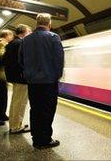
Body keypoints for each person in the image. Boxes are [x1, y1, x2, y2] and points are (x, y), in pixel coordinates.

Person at [20, 13, 64, 149]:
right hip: (48, 82)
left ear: (36, 23)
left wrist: (28, 75)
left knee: (35, 110)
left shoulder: (25, 40)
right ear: (49, 23)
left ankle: (36, 137)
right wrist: (57, 76)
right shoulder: (53, 37)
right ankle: (44, 140)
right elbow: (58, 60)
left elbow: (20, 61)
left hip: (32, 82)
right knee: (47, 110)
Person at [3, 24, 32, 134]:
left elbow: (5, 60)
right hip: (21, 77)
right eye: (29, 31)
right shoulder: (20, 43)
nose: (30, 34)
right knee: (20, 102)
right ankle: (15, 127)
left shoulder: (12, 43)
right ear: (24, 32)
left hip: (15, 76)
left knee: (16, 101)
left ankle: (14, 124)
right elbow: (23, 61)